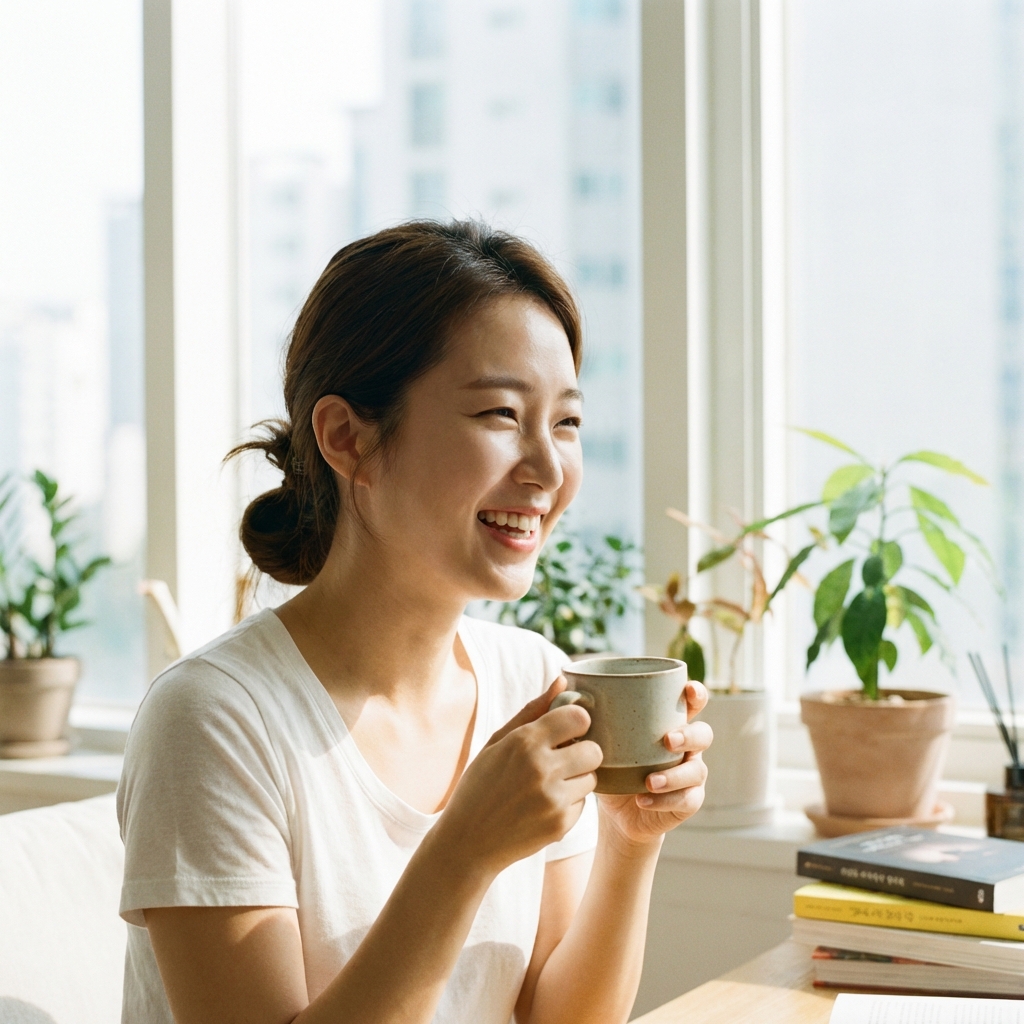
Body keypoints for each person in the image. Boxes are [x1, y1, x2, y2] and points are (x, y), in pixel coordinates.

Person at [117, 220, 713, 1024]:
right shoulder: (214, 719)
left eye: (566, 422)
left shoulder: (530, 677)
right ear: (346, 437)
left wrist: (632, 842)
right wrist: (464, 851)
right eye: (501, 414)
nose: (547, 470)